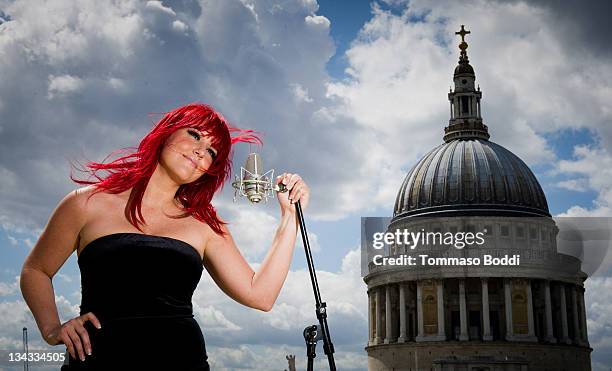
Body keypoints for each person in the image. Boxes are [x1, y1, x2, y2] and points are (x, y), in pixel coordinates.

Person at [19, 103, 310, 370]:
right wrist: (52, 329)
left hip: (183, 362)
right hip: (99, 361)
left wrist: (289, 218)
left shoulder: (205, 223)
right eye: (195, 134)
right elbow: (36, 270)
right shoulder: (86, 203)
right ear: (166, 133)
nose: (200, 151)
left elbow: (261, 296)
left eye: (211, 152)